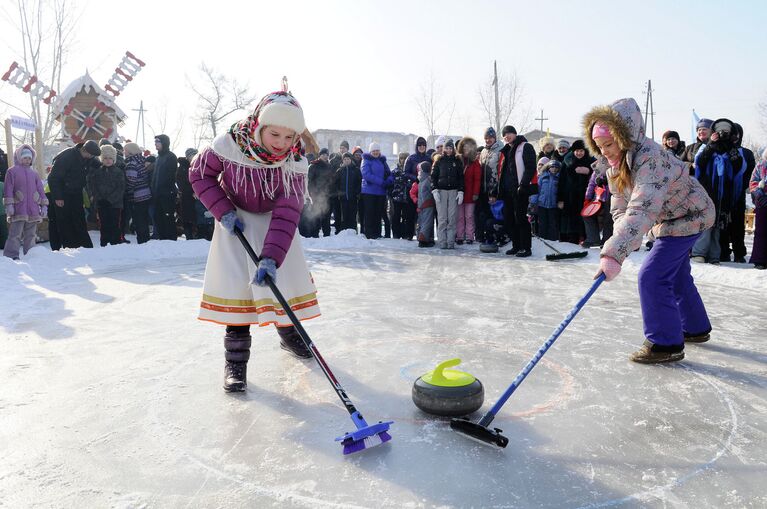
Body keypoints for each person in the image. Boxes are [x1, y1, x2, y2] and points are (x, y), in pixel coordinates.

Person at [189, 89, 321, 392]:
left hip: (275, 222)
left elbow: (288, 211)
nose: (282, 144)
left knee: (282, 285)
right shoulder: (229, 145)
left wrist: (272, 257)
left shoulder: (294, 161)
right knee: (239, 291)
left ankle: (289, 335)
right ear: (259, 125)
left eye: (290, 137)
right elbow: (199, 175)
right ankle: (235, 363)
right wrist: (222, 211)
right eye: (275, 134)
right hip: (235, 221)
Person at [585, 97, 714, 364]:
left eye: (609, 144)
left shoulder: (650, 159)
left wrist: (613, 254)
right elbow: (621, 210)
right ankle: (696, 328)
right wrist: (621, 240)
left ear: (624, 136)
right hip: (669, 220)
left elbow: (641, 210)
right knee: (675, 274)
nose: (605, 151)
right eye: (599, 147)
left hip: (690, 215)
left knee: (652, 276)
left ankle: (666, 343)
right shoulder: (615, 167)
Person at [691, 118, 747, 264]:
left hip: (725, 193)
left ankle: (714, 255)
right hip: (707, 190)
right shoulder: (706, 147)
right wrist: (711, 144)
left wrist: (729, 146)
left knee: (719, 224)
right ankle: (699, 253)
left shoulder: (733, 150)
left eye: (726, 131)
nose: (722, 134)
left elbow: (739, 167)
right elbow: (699, 163)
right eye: (720, 131)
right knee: (705, 221)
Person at [48, 140, 101, 249]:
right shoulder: (67, 157)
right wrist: (58, 197)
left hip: (76, 191)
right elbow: (53, 178)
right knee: (64, 221)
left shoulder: (88, 158)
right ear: (85, 150)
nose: (91, 157)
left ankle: (84, 245)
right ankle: (70, 247)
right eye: (91, 155)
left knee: (79, 218)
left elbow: (98, 165)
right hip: (61, 192)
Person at [495, 125, 537, 257]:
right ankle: (516, 245)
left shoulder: (525, 146)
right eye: (504, 135)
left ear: (514, 133)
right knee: (509, 219)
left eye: (509, 133)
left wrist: (523, 184)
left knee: (520, 219)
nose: (507, 136)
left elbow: (530, 167)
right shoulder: (505, 150)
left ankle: (526, 247)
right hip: (507, 191)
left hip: (520, 189)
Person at [3, 145, 47, 259]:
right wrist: (9, 205)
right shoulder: (12, 171)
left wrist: (44, 205)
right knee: (15, 234)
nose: (27, 160)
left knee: (31, 234)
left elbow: (40, 189)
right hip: (19, 207)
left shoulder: (34, 173)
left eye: (29, 158)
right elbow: (8, 188)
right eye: (24, 158)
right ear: (19, 157)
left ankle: (30, 254)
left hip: (33, 208)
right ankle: (11, 255)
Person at [718, 123, 754, 263]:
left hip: (738, 194)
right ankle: (723, 251)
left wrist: (741, 185)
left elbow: (750, 172)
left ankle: (739, 252)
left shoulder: (747, 152)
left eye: (736, 133)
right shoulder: (721, 150)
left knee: (738, 224)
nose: (733, 136)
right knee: (723, 224)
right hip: (723, 193)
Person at [87, 145, 125, 247]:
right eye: (105, 158)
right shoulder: (97, 172)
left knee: (114, 223)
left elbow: (120, 188)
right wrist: (99, 199)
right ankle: (104, 243)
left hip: (115, 204)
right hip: (101, 203)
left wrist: (110, 200)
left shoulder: (118, 172)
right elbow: (93, 187)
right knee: (103, 224)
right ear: (102, 159)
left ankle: (115, 242)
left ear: (114, 159)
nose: (108, 161)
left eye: (110, 158)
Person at [558, 139, 594, 245]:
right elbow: (561, 181)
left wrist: (589, 171)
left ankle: (584, 237)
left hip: (585, 196)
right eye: (577, 151)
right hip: (569, 196)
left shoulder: (591, 162)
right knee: (570, 218)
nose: (579, 153)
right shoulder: (567, 162)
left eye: (581, 151)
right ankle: (570, 238)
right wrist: (560, 199)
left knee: (584, 217)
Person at [431, 139, 464, 249]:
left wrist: (461, 191)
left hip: (453, 191)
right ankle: (442, 242)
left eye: (450, 148)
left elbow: (461, 178)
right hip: (441, 191)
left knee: (452, 217)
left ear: (453, 149)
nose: (449, 150)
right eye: (447, 148)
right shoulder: (439, 160)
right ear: (443, 149)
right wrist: (434, 189)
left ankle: (450, 242)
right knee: (442, 218)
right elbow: (433, 176)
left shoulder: (457, 160)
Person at [360, 142, 392, 239]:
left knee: (378, 213)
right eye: (373, 151)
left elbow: (389, 172)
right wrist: (381, 182)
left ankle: (377, 233)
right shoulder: (366, 160)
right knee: (370, 213)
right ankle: (369, 234)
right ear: (370, 152)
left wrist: (389, 180)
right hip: (369, 191)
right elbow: (366, 174)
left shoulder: (382, 161)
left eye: (377, 150)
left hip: (380, 192)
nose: (375, 152)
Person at [150, 134, 178, 240]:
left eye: (158, 141)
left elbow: (170, 176)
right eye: (155, 141)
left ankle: (170, 240)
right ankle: (162, 239)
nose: (155, 144)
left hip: (167, 194)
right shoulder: (158, 158)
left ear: (164, 143)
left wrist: (164, 190)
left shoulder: (171, 157)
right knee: (158, 218)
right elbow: (155, 177)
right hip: (157, 194)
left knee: (168, 218)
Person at [476, 127, 502, 242]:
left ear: (495, 138)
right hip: (484, 189)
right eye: (486, 138)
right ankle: (487, 236)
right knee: (485, 214)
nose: (488, 140)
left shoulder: (500, 149)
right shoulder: (483, 151)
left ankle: (498, 236)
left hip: (495, 188)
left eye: (490, 138)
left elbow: (500, 170)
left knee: (495, 215)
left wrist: (495, 191)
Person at [123, 142, 151, 244]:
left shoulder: (131, 163)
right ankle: (146, 240)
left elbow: (131, 180)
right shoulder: (141, 161)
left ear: (130, 151)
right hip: (146, 194)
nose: (124, 152)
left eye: (125, 150)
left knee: (139, 221)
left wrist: (127, 191)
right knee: (144, 219)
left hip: (136, 196)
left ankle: (142, 241)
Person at [456, 137, 481, 244]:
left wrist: (475, 193)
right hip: (459, 194)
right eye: (464, 146)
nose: (466, 149)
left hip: (470, 195)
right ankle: (460, 236)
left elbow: (477, 179)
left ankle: (470, 236)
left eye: (468, 147)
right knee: (460, 217)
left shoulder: (475, 163)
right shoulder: (457, 160)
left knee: (469, 216)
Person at [306, 148, 336, 237]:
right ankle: (315, 234)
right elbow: (310, 181)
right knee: (316, 215)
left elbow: (332, 181)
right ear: (320, 155)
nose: (325, 156)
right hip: (317, 195)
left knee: (326, 216)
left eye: (326, 155)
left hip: (327, 195)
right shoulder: (313, 166)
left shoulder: (329, 166)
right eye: (323, 154)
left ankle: (327, 234)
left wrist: (332, 193)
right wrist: (312, 194)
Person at [582, 168, 613, 248]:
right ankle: (593, 238)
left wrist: (609, 181)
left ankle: (606, 240)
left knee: (608, 219)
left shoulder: (616, 165)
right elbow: (591, 184)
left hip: (612, 197)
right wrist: (588, 197)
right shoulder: (598, 168)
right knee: (587, 215)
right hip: (598, 198)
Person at [389, 151, 415, 239]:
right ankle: (396, 233)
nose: (403, 160)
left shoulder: (410, 172)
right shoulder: (395, 171)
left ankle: (405, 234)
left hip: (407, 198)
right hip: (396, 198)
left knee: (406, 216)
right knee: (396, 216)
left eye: (405, 158)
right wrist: (391, 194)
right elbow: (390, 183)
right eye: (401, 158)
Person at [749, 150, 767, 269]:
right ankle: (760, 259)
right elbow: (753, 182)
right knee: (761, 232)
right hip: (763, 203)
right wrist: (758, 194)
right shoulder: (760, 166)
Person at [536, 158, 561, 241]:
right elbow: (537, 189)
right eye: (552, 167)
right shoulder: (543, 177)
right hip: (542, 204)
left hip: (553, 204)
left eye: (556, 167)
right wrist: (534, 201)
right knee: (542, 223)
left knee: (552, 223)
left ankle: (552, 239)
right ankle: (542, 238)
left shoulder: (559, 178)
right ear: (548, 167)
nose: (554, 169)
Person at [336, 152, 361, 232]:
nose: (346, 161)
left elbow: (359, 182)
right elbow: (336, 183)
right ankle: (344, 231)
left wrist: (357, 193)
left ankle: (353, 230)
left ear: (351, 160)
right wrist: (339, 193)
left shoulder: (356, 170)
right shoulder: (340, 171)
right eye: (345, 159)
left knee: (352, 215)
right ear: (342, 160)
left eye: (348, 159)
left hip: (353, 197)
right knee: (344, 215)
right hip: (343, 198)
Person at [177, 148, 198, 240]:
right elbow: (181, 184)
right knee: (187, 218)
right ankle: (189, 236)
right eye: (192, 156)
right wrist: (192, 191)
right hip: (187, 197)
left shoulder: (199, 165)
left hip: (198, 196)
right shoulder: (182, 168)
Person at [413, 161, 435, 247]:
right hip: (427, 203)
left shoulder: (421, 180)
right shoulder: (428, 180)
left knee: (422, 222)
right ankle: (423, 240)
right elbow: (431, 191)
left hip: (421, 204)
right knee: (427, 222)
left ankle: (421, 237)